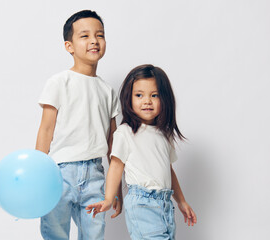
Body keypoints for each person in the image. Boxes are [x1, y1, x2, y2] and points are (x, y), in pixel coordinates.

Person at [35, 10, 122, 240]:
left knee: (94, 234)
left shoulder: (107, 91)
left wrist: (116, 188)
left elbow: (113, 143)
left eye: (99, 35)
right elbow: (46, 130)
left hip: (95, 175)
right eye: (84, 36)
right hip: (60, 173)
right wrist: (38, 173)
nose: (94, 40)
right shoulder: (59, 82)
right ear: (69, 46)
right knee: (54, 232)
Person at [86, 64, 197, 239]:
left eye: (154, 95)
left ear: (165, 99)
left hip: (165, 203)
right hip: (142, 203)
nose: (147, 101)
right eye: (139, 95)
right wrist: (109, 199)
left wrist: (181, 201)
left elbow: (167, 170)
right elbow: (116, 166)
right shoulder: (125, 132)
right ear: (128, 99)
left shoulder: (164, 134)